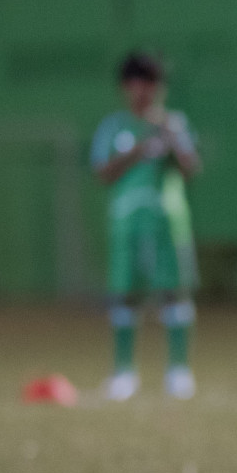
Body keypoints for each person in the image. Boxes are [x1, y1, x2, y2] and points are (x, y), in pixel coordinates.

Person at [89, 52, 201, 401]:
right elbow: (102, 172)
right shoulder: (114, 126)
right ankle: (124, 373)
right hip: (126, 222)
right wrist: (137, 150)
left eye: (153, 83)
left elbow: (190, 169)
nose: (146, 91)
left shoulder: (174, 123)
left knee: (174, 292)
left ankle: (178, 371)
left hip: (168, 220)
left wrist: (172, 138)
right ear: (126, 87)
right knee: (124, 294)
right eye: (139, 82)